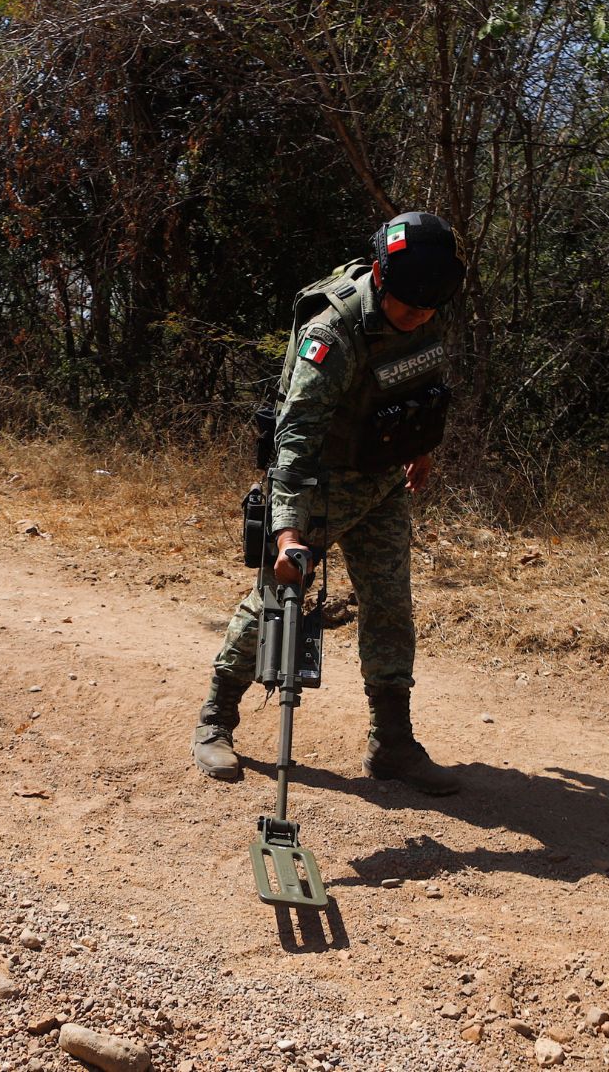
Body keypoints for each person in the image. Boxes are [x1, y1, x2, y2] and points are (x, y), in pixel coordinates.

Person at [192, 211, 468, 794]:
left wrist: (421, 448)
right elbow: (294, 438)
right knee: (277, 598)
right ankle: (216, 719)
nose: (420, 317)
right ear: (379, 276)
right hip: (319, 483)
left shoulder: (423, 302)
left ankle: (392, 742)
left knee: (391, 605)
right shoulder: (333, 333)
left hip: (383, 482)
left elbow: (420, 381)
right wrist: (286, 532)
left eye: (429, 309)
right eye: (410, 307)